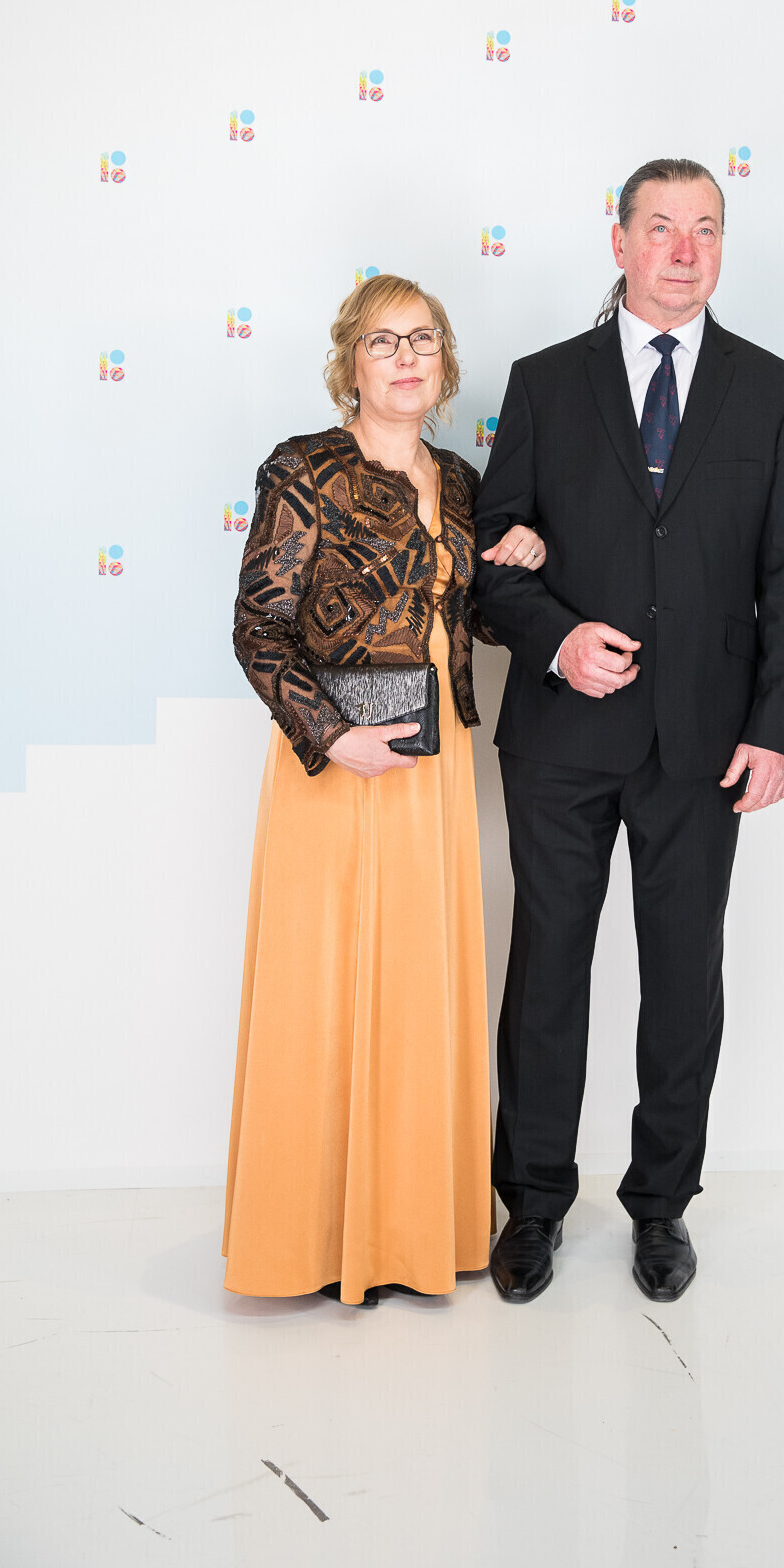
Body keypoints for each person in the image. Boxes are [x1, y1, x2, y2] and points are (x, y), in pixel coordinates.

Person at [473, 157, 784, 1304]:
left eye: (705, 228)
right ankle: (531, 1201)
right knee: (548, 972)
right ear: (617, 242)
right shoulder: (545, 381)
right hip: (562, 736)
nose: (683, 249)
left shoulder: (771, 389)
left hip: (706, 743)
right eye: (661, 226)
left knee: (683, 979)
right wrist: (557, 638)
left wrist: (777, 729)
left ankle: (662, 1205)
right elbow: (494, 562)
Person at [222, 273, 545, 1306]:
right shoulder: (305, 470)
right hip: (335, 766)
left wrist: (521, 555)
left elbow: (472, 616)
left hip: (430, 763)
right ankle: (315, 1242)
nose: (406, 359)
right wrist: (332, 735)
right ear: (350, 364)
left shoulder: (461, 480)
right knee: (324, 987)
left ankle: (410, 1234)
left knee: (416, 988)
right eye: (383, 341)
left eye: (423, 340)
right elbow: (258, 628)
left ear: (444, 362)